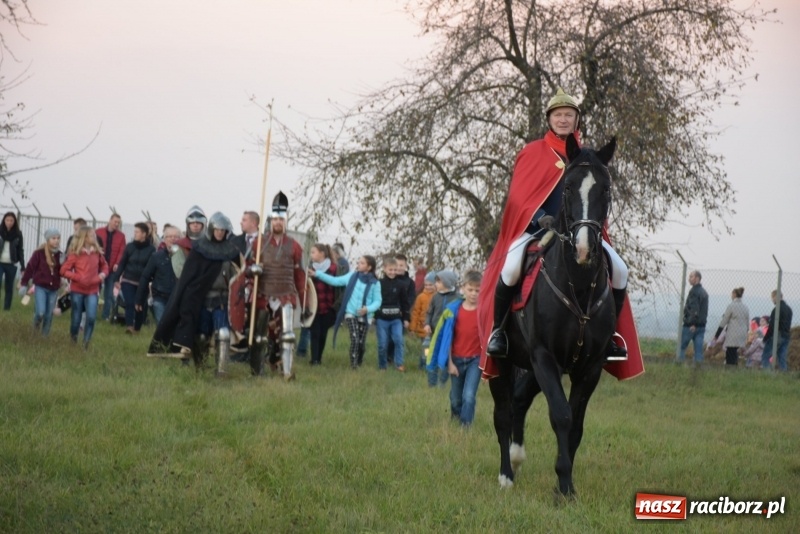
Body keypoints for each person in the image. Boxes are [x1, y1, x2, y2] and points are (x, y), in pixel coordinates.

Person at [480, 88, 630, 361]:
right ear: (549, 119)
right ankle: (499, 332)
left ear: (576, 120)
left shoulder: (585, 156)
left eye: (569, 115)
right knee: (511, 269)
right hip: (535, 229)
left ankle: (610, 338)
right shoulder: (533, 151)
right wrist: (539, 217)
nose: (563, 119)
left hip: (575, 233)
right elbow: (517, 198)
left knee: (620, 270)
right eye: (558, 115)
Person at [148, 212, 239, 375]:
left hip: (222, 299)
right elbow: (189, 277)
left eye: (223, 231)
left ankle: (222, 370)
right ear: (212, 229)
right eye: (217, 230)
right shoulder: (200, 249)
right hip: (202, 299)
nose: (220, 233)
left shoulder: (231, 251)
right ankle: (201, 367)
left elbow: (238, 273)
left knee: (223, 334)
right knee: (201, 336)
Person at [246, 192, 307, 379]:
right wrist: (252, 270)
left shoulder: (295, 246)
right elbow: (246, 269)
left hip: (285, 294)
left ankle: (287, 372)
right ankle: (258, 370)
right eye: (275, 219)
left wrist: (305, 301)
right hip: (263, 294)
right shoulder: (259, 243)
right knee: (260, 336)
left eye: (281, 219)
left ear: (285, 221)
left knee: (287, 335)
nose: (277, 223)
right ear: (270, 222)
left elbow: (300, 275)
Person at [428, 270, 483, 426]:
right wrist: (450, 363)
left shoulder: (484, 312)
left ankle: (465, 426)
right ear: (463, 288)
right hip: (456, 360)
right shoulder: (453, 311)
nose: (473, 294)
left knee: (469, 396)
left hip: (476, 360)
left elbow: (488, 339)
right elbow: (447, 339)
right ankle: (456, 417)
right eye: (470, 290)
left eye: (478, 291)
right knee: (456, 398)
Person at [311, 255, 381, 369]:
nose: (359, 264)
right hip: (351, 313)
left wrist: (367, 309)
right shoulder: (351, 277)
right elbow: (334, 281)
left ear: (369, 267)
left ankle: (359, 361)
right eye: (359, 262)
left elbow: (378, 301)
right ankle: (354, 366)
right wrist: (317, 274)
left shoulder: (375, 283)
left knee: (361, 343)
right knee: (354, 338)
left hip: (365, 315)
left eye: (362, 263)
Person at [60, 226, 109, 349]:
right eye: (92, 235)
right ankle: (73, 339)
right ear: (85, 238)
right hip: (77, 291)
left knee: (91, 317)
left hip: (93, 290)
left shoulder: (97, 253)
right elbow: (63, 270)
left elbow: (105, 267)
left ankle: (86, 344)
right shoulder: (75, 254)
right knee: (76, 318)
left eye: (94, 235)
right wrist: (77, 277)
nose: (95, 237)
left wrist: (101, 276)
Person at [19, 228, 63, 335]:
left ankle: (44, 337)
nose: (56, 241)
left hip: (54, 289)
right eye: (53, 238)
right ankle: (35, 328)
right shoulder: (39, 253)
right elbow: (30, 268)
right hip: (41, 287)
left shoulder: (61, 255)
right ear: (48, 239)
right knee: (40, 312)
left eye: (58, 238)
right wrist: (24, 284)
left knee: (48, 315)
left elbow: (64, 271)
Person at [114, 222, 156, 334]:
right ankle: (129, 326)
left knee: (140, 306)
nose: (135, 234)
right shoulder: (130, 247)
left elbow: (152, 267)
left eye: (137, 232)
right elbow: (122, 263)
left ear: (144, 234)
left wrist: (152, 281)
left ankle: (137, 328)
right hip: (128, 280)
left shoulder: (151, 250)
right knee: (130, 303)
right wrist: (116, 278)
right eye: (135, 231)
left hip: (142, 283)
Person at [136, 224, 180, 325]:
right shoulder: (156, 257)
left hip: (176, 298)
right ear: (164, 239)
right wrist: (139, 298)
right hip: (160, 298)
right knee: (163, 325)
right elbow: (145, 277)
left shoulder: (184, 257)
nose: (173, 239)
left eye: (176, 236)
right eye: (170, 236)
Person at [424, 269, 459, 386]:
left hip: (449, 335)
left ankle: (442, 382)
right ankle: (431, 384)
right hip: (435, 333)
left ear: (447, 283)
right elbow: (429, 312)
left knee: (444, 358)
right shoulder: (435, 297)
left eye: (438, 282)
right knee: (432, 356)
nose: (436, 285)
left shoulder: (457, 298)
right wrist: (427, 324)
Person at [375, 256, 409, 371]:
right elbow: (374, 300)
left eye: (395, 270)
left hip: (396, 320)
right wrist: (374, 315)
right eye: (390, 269)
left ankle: (399, 364)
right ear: (384, 269)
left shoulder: (401, 285)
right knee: (382, 344)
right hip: (381, 319)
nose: (393, 272)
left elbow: (405, 303)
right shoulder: (378, 283)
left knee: (399, 340)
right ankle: (382, 366)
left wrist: (406, 318)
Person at [305, 243, 337, 365]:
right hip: (314, 307)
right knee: (315, 333)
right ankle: (314, 360)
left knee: (323, 333)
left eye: (313, 252)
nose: (311, 255)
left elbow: (337, 285)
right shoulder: (310, 268)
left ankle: (319, 357)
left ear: (322, 254)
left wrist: (336, 307)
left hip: (328, 307)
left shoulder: (334, 268)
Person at [95, 213, 127, 321]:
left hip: (112, 268)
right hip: (98, 268)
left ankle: (105, 316)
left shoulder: (121, 236)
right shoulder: (98, 232)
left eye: (118, 222)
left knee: (108, 294)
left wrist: (117, 263)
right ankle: (91, 313)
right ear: (110, 220)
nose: (116, 224)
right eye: (115, 221)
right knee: (95, 291)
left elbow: (121, 251)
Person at [712, 287, 749, 367]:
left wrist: (717, 335)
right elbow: (747, 323)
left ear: (734, 294)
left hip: (733, 333)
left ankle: (730, 368)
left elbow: (724, 321)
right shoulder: (745, 307)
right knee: (735, 351)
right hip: (742, 333)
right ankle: (734, 367)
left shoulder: (731, 306)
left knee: (730, 351)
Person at [678, 270, 709, 364]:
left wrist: (692, 323)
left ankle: (678, 366)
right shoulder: (704, 293)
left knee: (682, 347)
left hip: (690, 326)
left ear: (697, 278)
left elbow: (694, 309)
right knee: (698, 351)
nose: (689, 279)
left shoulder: (694, 292)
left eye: (691, 276)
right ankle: (698, 370)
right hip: (701, 326)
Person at [761, 290, 793, 371]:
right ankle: (784, 374)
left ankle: (767, 374)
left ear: (775, 296)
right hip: (786, 335)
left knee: (766, 355)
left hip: (777, 335)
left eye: (772, 297)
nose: (772, 300)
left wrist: (766, 338)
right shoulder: (789, 309)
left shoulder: (776, 309)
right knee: (782, 357)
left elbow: (772, 326)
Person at [410, 271, 436, 369]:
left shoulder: (437, 297)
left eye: (431, 285)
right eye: (426, 285)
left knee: (431, 348)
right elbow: (416, 312)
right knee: (425, 348)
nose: (428, 287)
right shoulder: (420, 297)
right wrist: (412, 328)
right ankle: (423, 365)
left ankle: (428, 364)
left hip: (434, 328)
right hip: (422, 328)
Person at [0, 212, 25, 311]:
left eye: (11, 220)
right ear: (4, 221)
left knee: (9, 287)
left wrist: (23, 266)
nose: (9, 222)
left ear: (14, 222)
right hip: (0, 262)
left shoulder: (18, 234)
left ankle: (6, 308)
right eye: (7, 220)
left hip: (11, 263)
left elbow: (20, 250)